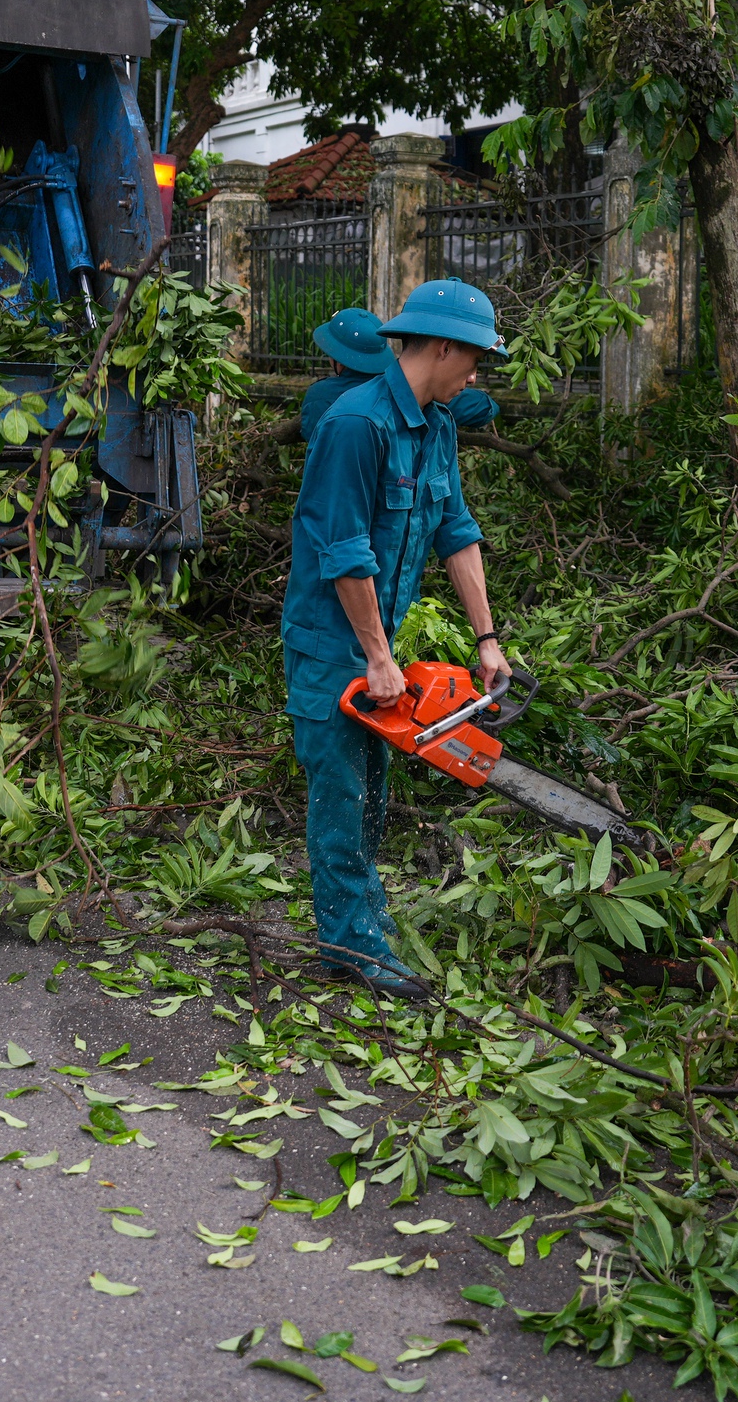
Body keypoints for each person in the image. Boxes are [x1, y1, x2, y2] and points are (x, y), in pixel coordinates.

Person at [281, 279, 511, 1000]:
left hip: (377, 635)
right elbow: (344, 549)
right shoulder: (357, 424)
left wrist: (488, 638)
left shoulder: (435, 422)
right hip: (331, 641)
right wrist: (377, 658)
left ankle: (349, 932)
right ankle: (354, 950)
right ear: (440, 346)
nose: (476, 375)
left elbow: (456, 530)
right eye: (472, 358)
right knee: (341, 792)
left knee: (372, 787)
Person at [297, 306, 500, 443]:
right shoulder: (414, 393)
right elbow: (484, 408)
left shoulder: (320, 395)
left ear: (338, 359)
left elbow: (310, 435)